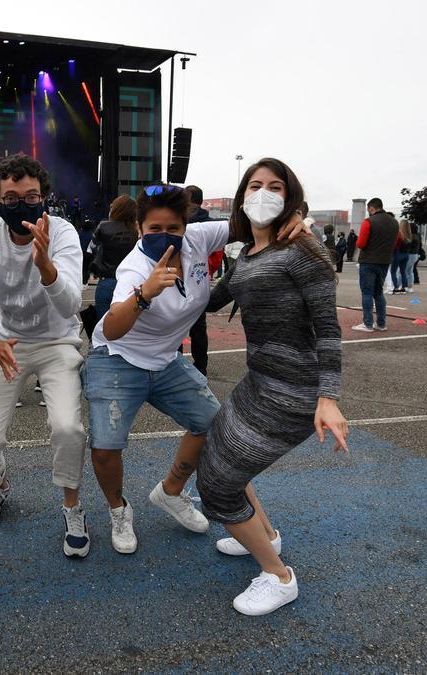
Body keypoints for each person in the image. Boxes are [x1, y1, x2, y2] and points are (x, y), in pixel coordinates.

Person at [85, 179, 307, 555]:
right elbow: (111, 328)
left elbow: (253, 218)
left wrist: (295, 215)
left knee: (215, 425)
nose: (164, 234)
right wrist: (144, 294)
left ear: (185, 226)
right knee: (106, 447)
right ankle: (119, 510)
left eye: (173, 227)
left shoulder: (198, 240)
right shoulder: (135, 269)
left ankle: (171, 491)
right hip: (118, 359)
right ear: (139, 227)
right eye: (154, 228)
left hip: (167, 360)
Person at [197, 157, 347, 616]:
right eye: (255, 185)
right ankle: (267, 535)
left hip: (296, 391)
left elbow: (328, 327)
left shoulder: (304, 250)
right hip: (260, 381)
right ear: (243, 196)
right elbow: (210, 298)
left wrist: (328, 397)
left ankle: (279, 577)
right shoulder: (247, 254)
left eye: (275, 186)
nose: (264, 193)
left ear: (290, 198)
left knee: (217, 488)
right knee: (221, 460)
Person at [0, 153, 90, 556]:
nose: (22, 205)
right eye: (11, 198)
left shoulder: (63, 233)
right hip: (6, 344)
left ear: (45, 198)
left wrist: (45, 264)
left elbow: (70, 306)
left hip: (57, 343)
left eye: (31, 196)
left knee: (69, 428)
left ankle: (72, 505)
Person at [352, 198, 399, 332]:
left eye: (369, 210)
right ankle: (381, 323)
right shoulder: (394, 222)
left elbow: (361, 243)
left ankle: (367, 323)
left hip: (368, 261)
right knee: (379, 292)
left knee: (367, 292)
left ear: (371, 208)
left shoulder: (369, 222)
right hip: (384, 261)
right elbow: (395, 243)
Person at [90, 195, 139, 320]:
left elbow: (93, 245)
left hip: (107, 280)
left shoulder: (104, 226)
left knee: (102, 326)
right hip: (132, 283)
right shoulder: (137, 229)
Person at [184, 184, 213, 375]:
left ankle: (173, 363)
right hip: (201, 278)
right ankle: (201, 366)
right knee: (199, 330)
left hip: (179, 277)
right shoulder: (211, 223)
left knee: (173, 325)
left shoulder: (183, 220)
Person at [390, 220, 411, 293]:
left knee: (393, 271)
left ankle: (395, 288)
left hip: (398, 254)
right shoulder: (409, 234)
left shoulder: (399, 234)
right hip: (406, 254)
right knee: (403, 272)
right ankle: (404, 288)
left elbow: (395, 245)